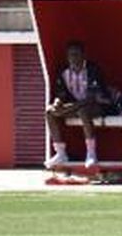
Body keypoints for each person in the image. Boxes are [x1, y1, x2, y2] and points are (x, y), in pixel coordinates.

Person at [45, 41, 114, 169]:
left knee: (83, 111)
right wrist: (57, 103)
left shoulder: (93, 70)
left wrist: (69, 108)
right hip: (76, 106)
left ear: (83, 55)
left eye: (76, 54)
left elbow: (91, 98)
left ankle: (91, 154)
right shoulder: (63, 72)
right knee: (49, 112)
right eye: (70, 55)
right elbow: (61, 94)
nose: (73, 58)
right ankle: (60, 153)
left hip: (97, 106)